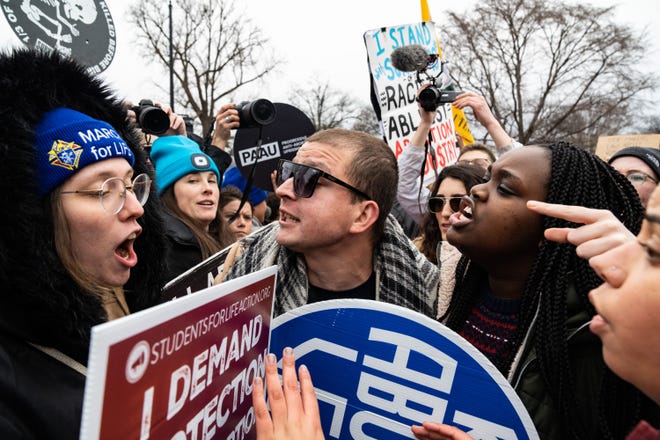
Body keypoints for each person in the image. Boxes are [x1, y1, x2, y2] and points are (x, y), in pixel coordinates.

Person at [438, 141, 657, 439]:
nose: (476, 190)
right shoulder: (443, 285)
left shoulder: (592, 338)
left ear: (552, 229)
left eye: (505, 189)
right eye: (488, 178)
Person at [0, 48, 167, 438]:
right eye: (102, 191)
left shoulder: (136, 322)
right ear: (35, 219)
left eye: (131, 185)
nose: (135, 208)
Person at [217, 128, 439, 318]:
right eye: (289, 173)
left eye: (308, 179)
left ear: (362, 215)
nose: (283, 190)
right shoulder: (241, 265)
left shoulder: (437, 298)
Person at [149, 135, 233, 282]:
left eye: (212, 180)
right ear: (169, 193)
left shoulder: (226, 238)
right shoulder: (168, 253)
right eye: (193, 181)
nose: (208, 189)